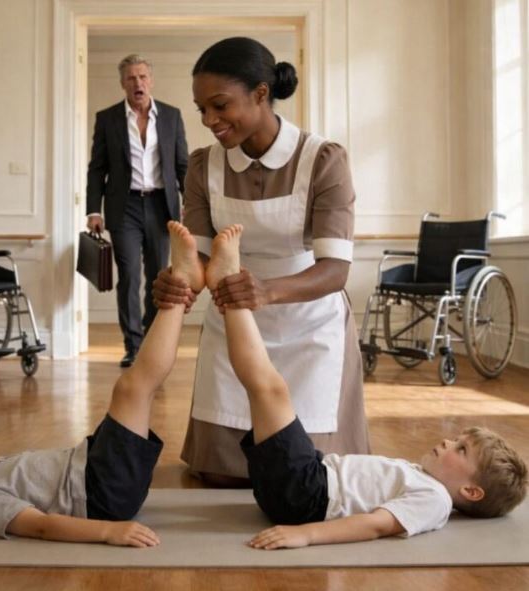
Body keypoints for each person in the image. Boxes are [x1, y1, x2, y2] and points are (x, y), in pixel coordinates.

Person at [0, 222, 204, 547]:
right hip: (100, 493)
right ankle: (181, 285)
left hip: (93, 472)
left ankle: (182, 285)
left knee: (135, 390)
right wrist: (108, 531)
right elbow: (41, 527)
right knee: (133, 389)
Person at [209, 224, 528, 549]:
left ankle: (228, 282)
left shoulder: (436, 501)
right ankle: (227, 286)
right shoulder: (424, 478)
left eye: (461, 450)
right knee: (266, 389)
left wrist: (306, 534)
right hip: (305, 482)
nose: (448, 441)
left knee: (269, 389)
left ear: (471, 491)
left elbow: (376, 525)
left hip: (306, 493)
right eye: (458, 440)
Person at [153, 37, 369, 486]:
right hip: (234, 321)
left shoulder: (322, 160)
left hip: (309, 320)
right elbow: (200, 257)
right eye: (201, 110)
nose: (209, 120)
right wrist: (179, 280)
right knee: (222, 474)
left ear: (261, 93)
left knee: (312, 475)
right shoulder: (203, 167)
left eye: (220, 105)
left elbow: (336, 270)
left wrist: (266, 291)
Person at [87, 54, 189, 368]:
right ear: (123, 84)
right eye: (131, 78)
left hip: (161, 206)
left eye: (142, 77)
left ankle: (152, 342)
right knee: (129, 276)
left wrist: (191, 204)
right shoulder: (108, 119)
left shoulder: (171, 116)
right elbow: (97, 169)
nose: (138, 83)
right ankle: (133, 345)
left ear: (151, 81)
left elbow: (182, 165)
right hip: (124, 207)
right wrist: (93, 210)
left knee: (159, 276)